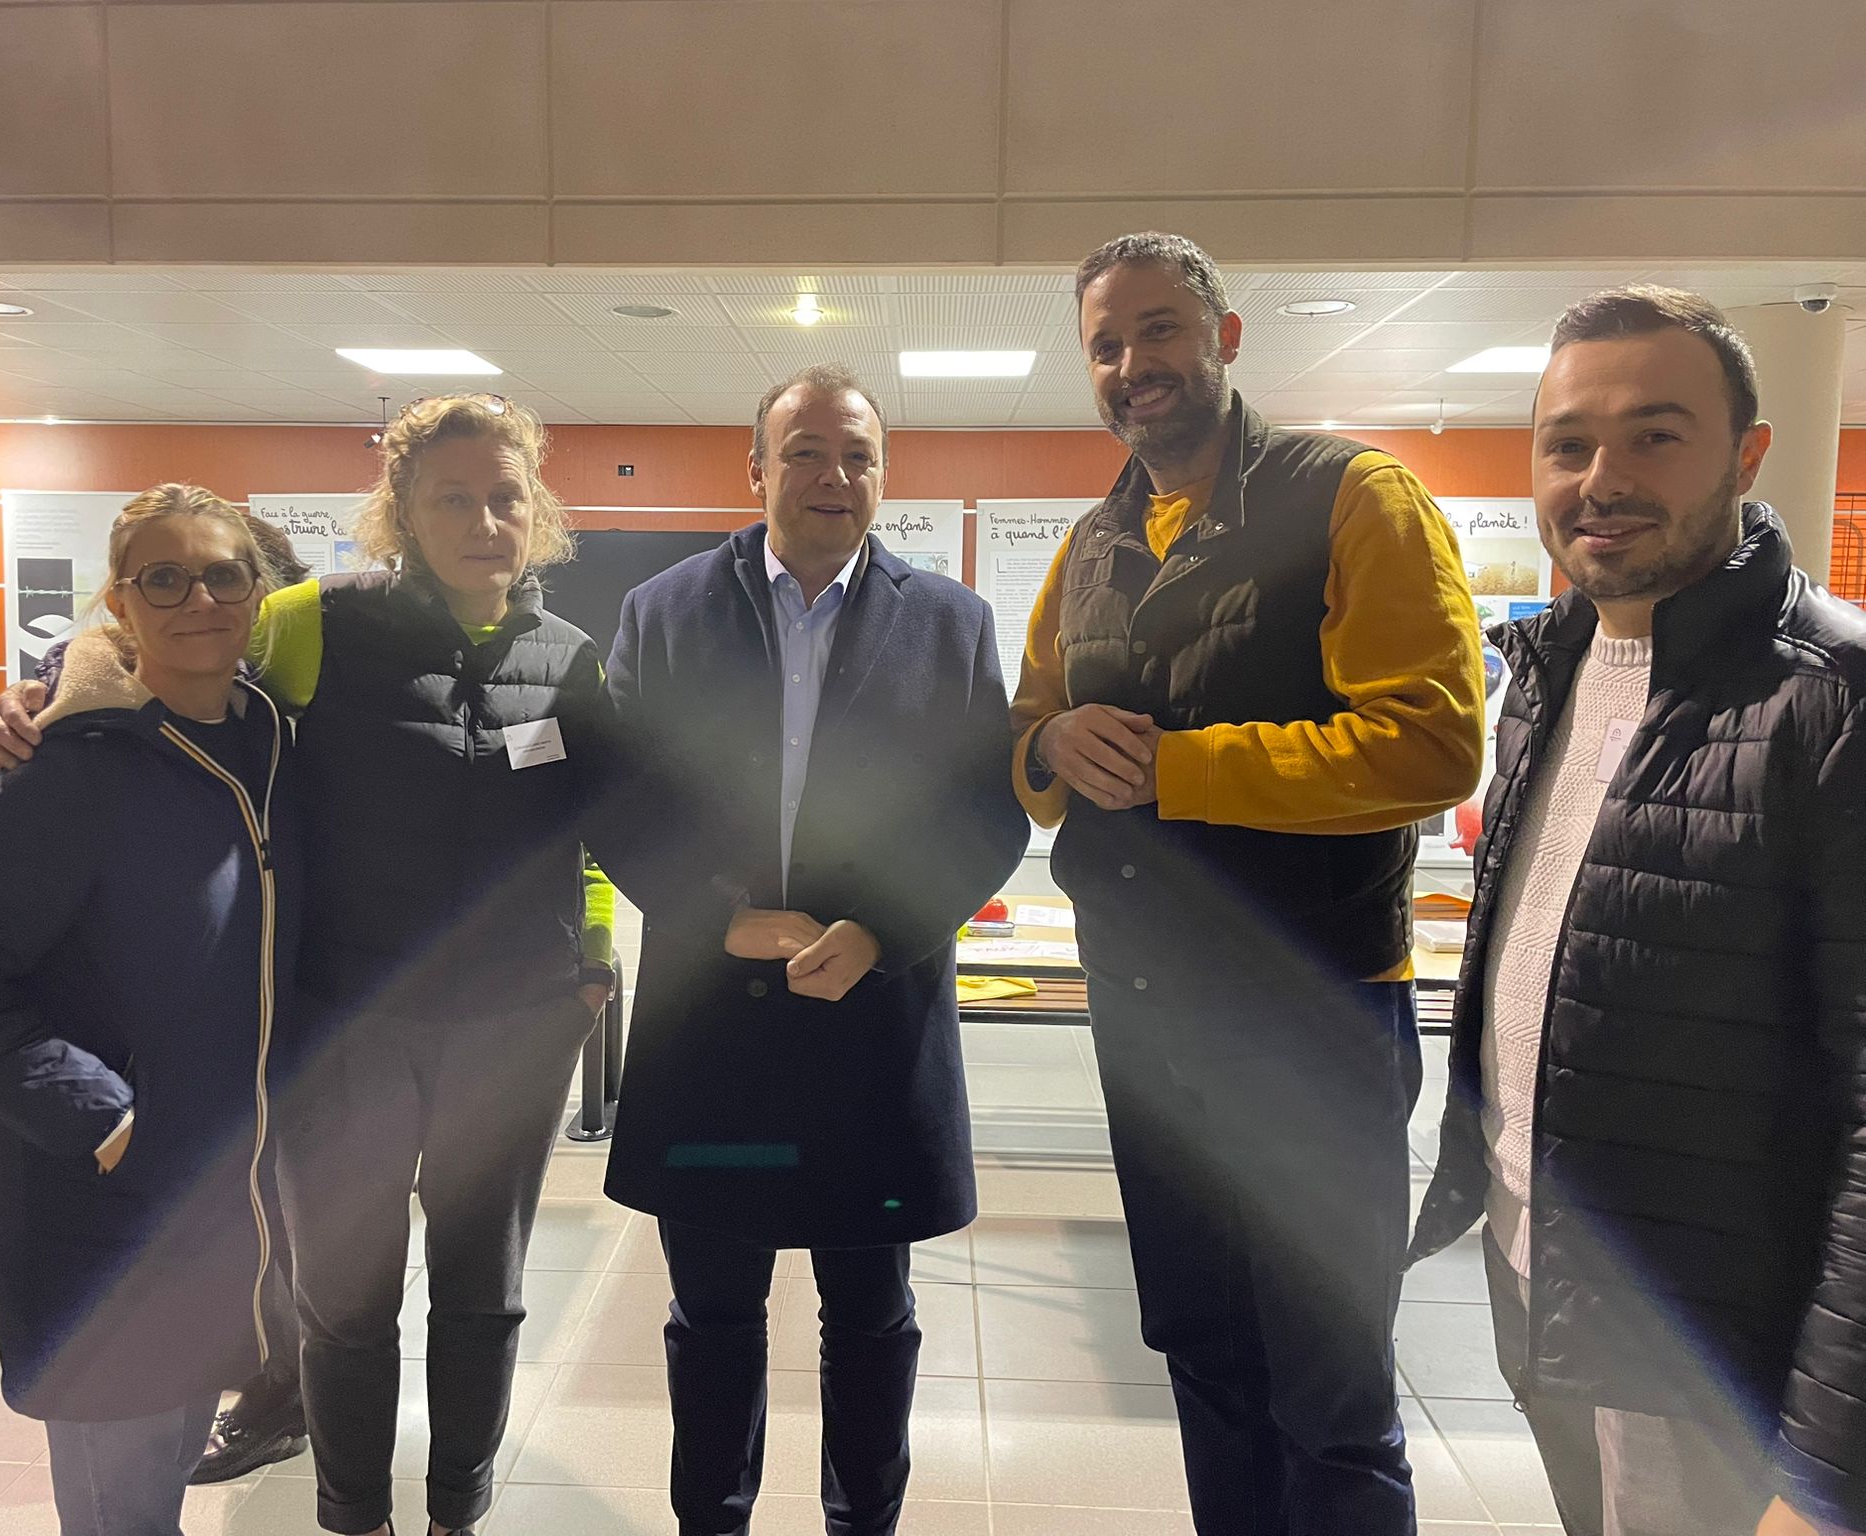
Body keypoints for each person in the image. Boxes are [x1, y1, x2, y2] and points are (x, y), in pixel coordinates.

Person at [0, 396, 619, 1536]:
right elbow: (156, 653)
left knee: (485, 1298)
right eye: (453, 498)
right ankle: (354, 1515)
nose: (484, 520)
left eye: (505, 496)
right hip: (343, 1030)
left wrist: (591, 969)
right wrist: (47, 692)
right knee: (344, 1301)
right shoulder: (311, 621)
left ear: (537, 507)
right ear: (402, 511)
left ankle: (457, 1513)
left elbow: (587, 829)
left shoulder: (568, 656)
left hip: (512, 1035)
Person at [1008, 232, 1485, 1535]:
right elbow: (1027, 725)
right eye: (1106, 345)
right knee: (1206, 1361)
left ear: (1223, 337)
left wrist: (1180, 769)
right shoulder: (1091, 542)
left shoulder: (1354, 497)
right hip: (1145, 1019)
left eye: (1158, 330)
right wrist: (1048, 746)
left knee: (1331, 1396)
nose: (1132, 364)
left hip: (1312, 1016)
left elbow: (1432, 744)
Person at [1409, 287, 1866, 1536]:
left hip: (1713, 1338)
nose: (1600, 479)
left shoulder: (1833, 702)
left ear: (1745, 455)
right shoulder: (1542, 676)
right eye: (1566, 443)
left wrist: (1825, 1472)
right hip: (1546, 1281)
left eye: (1653, 436)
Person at [598, 364, 1029, 1536]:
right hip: (710, 1030)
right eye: (804, 452)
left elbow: (983, 812)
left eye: (856, 456)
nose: (832, 476)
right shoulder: (664, 611)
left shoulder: (948, 622)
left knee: (871, 1316)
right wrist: (715, 917)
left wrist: (885, 926)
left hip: (870, 1028)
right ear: (756, 468)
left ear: (882, 477)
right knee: (712, 1316)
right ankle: (712, 1520)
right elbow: (618, 797)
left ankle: (862, 1521)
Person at [0, 484, 295, 1536]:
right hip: (105, 1198)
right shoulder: (62, 767)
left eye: (222, 574)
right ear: (117, 602)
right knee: (122, 1503)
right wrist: (101, 1115)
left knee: (168, 1467)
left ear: (257, 592)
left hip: (220, 1188)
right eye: (163, 578)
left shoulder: (268, 743)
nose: (198, 598)